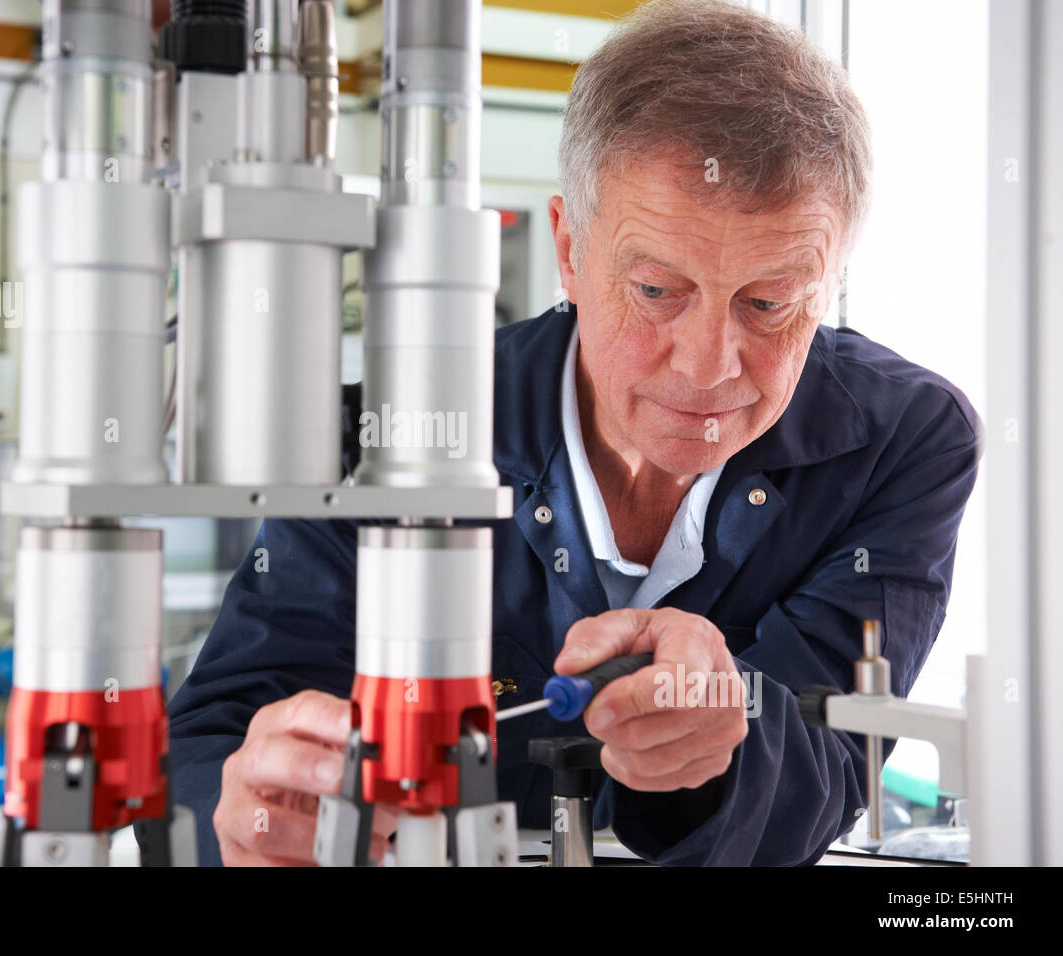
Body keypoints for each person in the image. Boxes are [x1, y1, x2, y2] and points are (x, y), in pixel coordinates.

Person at [167, 0, 983, 866]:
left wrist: (722, 735)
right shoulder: (393, 431)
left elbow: (826, 764)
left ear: (830, 283)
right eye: (657, 291)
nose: (708, 367)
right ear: (568, 249)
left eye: (770, 302)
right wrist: (249, 805)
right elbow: (213, 738)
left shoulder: (904, 440)